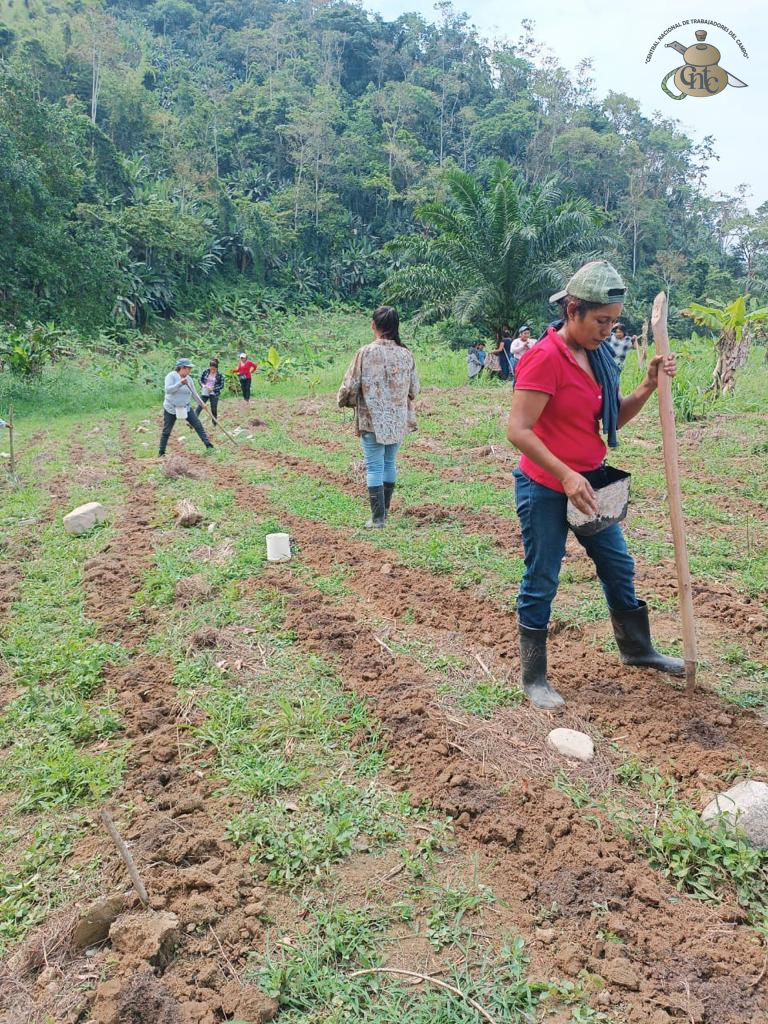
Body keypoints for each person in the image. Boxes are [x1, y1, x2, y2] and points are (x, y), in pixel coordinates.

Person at [506, 260, 683, 709]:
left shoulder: (598, 355)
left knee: (618, 565)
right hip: (546, 486)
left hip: (592, 483)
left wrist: (645, 386)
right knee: (543, 576)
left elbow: (609, 420)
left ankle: (637, 649)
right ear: (572, 310)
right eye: (601, 321)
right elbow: (519, 430)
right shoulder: (544, 358)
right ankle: (534, 677)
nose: (608, 331)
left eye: (613, 322)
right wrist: (565, 475)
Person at [338, 306, 420, 529]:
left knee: (373, 467)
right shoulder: (406, 354)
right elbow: (414, 389)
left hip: (371, 418)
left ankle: (378, 519)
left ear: (374, 325)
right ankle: (384, 515)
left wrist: (344, 401)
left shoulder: (365, 352)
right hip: (397, 419)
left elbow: (350, 386)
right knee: (389, 462)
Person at [159, 359, 214, 457]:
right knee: (167, 430)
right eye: (188, 368)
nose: (190, 371)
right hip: (171, 407)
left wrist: (202, 404)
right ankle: (161, 452)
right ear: (182, 368)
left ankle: (209, 446)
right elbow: (168, 390)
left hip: (186, 407)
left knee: (198, 425)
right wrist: (180, 383)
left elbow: (194, 393)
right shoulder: (171, 376)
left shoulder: (189, 379)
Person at [195, 358, 225, 424]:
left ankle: (214, 423)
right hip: (205, 391)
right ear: (209, 367)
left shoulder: (220, 375)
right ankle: (193, 422)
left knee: (213, 409)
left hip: (214, 393)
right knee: (200, 406)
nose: (212, 370)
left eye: (214, 369)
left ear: (217, 368)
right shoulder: (205, 371)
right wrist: (203, 385)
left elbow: (221, 385)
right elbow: (200, 379)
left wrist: (213, 388)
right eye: (211, 369)